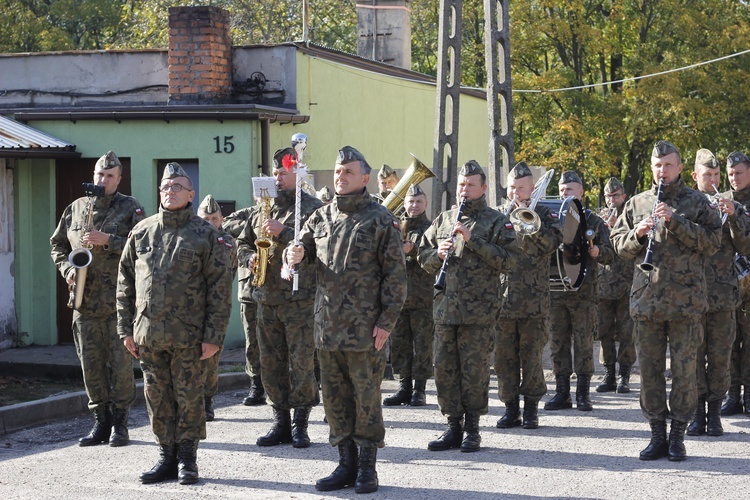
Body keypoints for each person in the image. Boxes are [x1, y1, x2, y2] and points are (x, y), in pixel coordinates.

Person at [286, 146, 406, 494]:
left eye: (348, 172)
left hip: (365, 329)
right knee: (334, 399)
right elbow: (300, 256)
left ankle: (367, 467)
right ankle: (345, 463)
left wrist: (386, 322)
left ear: (365, 178)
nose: (341, 177)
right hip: (327, 328)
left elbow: (396, 277)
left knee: (365, 398)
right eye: (338, 171)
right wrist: (292, 254)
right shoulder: (319, 218)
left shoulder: (381, 219)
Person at [117, 162, 232, 484]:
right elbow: (125, 282)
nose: (171, 191)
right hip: (149, 335)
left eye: (178, 187)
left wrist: (214, 336)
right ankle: (165, 457)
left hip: (190, 337)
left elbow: (220, 291)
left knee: (189, 398)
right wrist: (125, 329)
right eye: (166, 187)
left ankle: (188, 461)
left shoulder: (206, 235)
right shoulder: (142, 231)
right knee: (157, 399)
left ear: (191, 193)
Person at [611, 140, 721, 462]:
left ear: (680, 167)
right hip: (647, 303)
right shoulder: (636, 203)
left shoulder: (698, 202)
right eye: (658, 166)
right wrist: (638, 234)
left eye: (669, 165)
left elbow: (713, 242)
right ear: (651, 168)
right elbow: (618, 246)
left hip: (686, 304)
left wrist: (677, 221)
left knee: (685, 373)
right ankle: (656, 433)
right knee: (650, 372)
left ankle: (678, 436)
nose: (663, 171)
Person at [418, 160, 518, 453]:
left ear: (483, 188)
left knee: (474, 371)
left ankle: (472, 429)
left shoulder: (497, 221)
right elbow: (423, 257)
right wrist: (437, 253)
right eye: (461, 184)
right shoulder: (443, 219)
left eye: (470, 184)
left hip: (479, 312)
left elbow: (509, 261)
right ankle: (452, 426)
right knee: (445, 369)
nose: (464, 189)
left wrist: (473, 241)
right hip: (445, 310)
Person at [50, 150, 145, 448]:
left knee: (119, 366)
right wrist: (67, 268)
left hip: (119, 302)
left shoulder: (131, 208)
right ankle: (100, 422)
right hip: (84, 301)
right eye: (99, 175)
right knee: (90, 366)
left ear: (119, 179)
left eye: (109, 176)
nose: (103, 180)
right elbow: (57, 245)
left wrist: (110, 241)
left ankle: (121, 424)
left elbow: (144, 247)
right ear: (93, 176)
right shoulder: (76, 208)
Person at [238, 147, 323, 449]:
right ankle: (280, 422)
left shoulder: (313, 207)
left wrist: (284, 232)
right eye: (275, 172)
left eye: (283, 172)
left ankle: (301, 424)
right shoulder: (264, 206)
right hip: (266, 298)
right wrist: (248, 257)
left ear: (298, 174)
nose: (278, 177)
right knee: (271, 362)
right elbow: (243, 241)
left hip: (300, 301)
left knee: (301, 363)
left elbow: (319, 248)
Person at [687, 149, 750, 437]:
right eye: (707, 174)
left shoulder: (731, 204)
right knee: (695, 356)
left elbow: (745, 247)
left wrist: (734, 215)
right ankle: (698, 412)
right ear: (696, 176)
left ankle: (715, 413)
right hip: (694, 293)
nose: (712, 179)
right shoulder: (687, 205)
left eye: (716, 175)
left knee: (721, 356)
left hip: (724, 293)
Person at [494, 162, 562, 429]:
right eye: (512, 188)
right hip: (503, 300)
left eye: (521, 188)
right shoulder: (498, 214)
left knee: (532, 357)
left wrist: (532, 226)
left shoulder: (545, 214)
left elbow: (553, 244)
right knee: (503, 359)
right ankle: (511, 408)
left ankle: (531, 408)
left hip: (534, 301)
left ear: (532, 189)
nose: (515, 193)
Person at [545, 171, 614, 412]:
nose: (566, 194)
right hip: (556, 291)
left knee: (584, 342)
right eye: (563, 190)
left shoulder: (593, 221)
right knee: (557, 341)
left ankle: (583, 394)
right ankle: (561, 393)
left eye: (570, 190)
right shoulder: (551, 217)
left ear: (581, 192)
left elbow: (610, 252)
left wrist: (598, 253)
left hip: (584, 291)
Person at [383, 183, 435, 407]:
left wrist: (411, 254)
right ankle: (404, 387)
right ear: (404, 203)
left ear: (425, 204)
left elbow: (433, 259)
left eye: (418, 202)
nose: (414, 206)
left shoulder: (431, 228)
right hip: (398, 297)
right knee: (400, 343)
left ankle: (420, 389)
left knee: (422, 344)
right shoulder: (395, 226)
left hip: (423, 296)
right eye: (410, 202)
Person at [197, 194, 238, 422]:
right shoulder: (190, 237)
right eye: (205, 218)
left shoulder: (228, 242)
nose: (210, 223)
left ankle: (207, 400)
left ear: (221, 219)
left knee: (211, 356)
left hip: (215, 306)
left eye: (214, 218)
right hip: (190, 307)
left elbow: (227, 272)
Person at [596, 177, 636, 394]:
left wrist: (615, 228)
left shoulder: (631, 217)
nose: (612, 200)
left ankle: (625, 375)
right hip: (604, 284)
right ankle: (609, 373)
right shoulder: (599, 219)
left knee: (626, 332)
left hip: (627, 283)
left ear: (624, 196)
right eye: (609, 196)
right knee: (604, 331)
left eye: (616, 195)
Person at [222, 207, 265, 406]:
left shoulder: (285, 212)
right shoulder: (249, 213)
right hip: (250, 288)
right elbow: (226, 222)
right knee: (252, 341)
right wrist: (253, 227)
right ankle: (256, 385)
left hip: (280, 290)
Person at [722, 151, 750, 417]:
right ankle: (732, 395)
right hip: (728, 282)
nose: (734, 178)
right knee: (731, 341)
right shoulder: (722, 201)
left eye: (739, 172)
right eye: (731, 173)